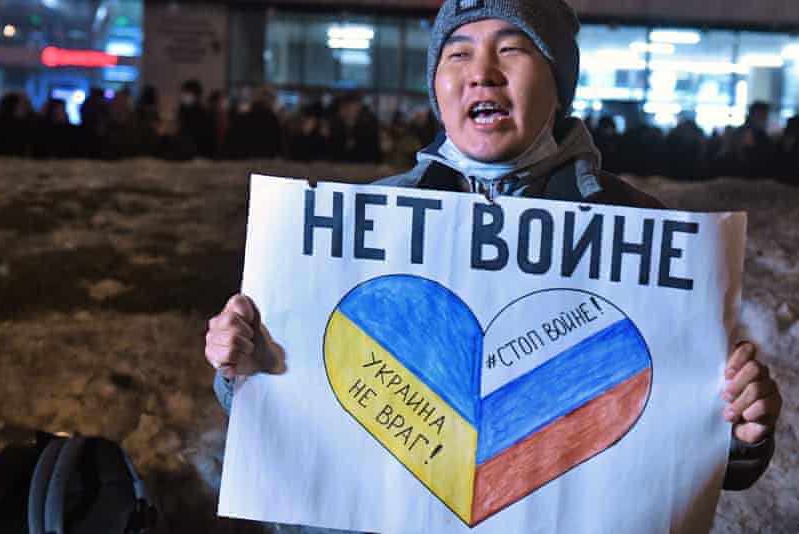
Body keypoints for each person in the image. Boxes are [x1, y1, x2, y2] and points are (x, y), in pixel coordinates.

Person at [205, 0, 782, 516]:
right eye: (458, 53)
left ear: (559, 84)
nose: (482, 72)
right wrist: (245, 368)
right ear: (437, 86)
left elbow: (684, 447)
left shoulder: (645, 230)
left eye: (512, 49)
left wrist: (740, 429)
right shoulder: (361, 225)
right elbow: (302, 405)